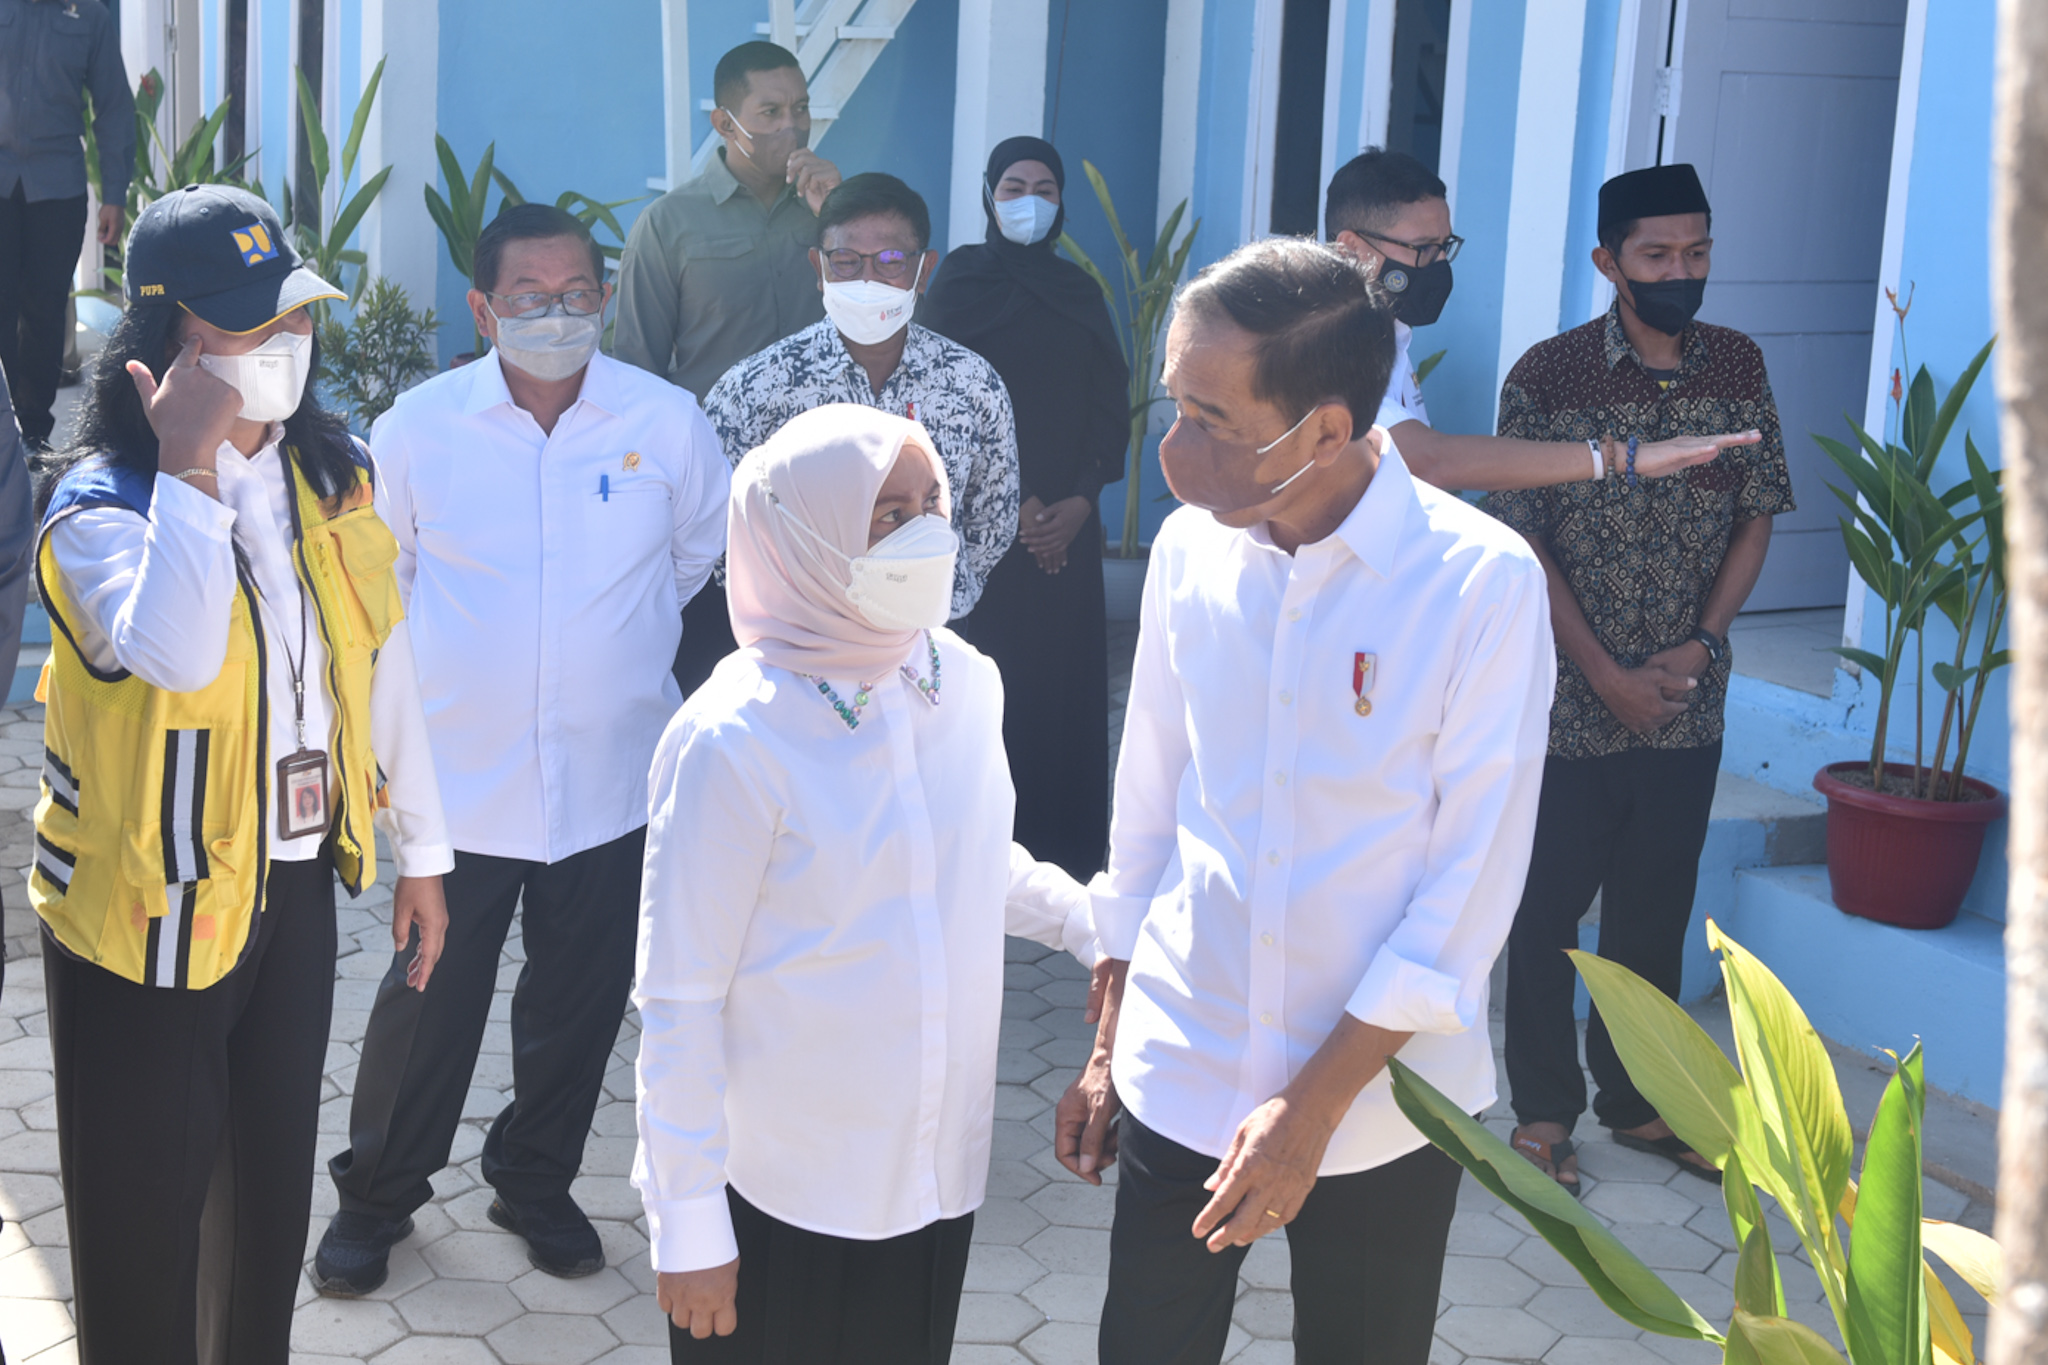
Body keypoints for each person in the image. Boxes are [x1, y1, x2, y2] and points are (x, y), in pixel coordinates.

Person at [1055, 239, 1555, 1365]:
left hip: (1383, 1101)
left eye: (1212, 421)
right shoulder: (1192, 554)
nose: (1173, 455)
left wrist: (1314, 1107)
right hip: (1184, 1058)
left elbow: (1468, 888)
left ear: (1325, 431)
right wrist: (1107, 1044)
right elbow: (1146, 805)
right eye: (1172, 407)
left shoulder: (1476, 585)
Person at [31, 184, 450, 1365]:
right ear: (169, 343)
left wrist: (425, 853)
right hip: (144, 910)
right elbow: (165, 649)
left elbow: (385, 667)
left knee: (264, 1207)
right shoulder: (98, 508)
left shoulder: (335, 472)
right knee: (141, 1225)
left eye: (296, 321)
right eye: (252, 329)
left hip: (292, 881)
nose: (287, 349)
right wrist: (188, 464)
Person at [315, 203, 732, 1293]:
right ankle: (378, 1197)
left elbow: (693, 559)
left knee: (579, 1005)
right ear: (483, 308)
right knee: (425, 1002)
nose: (559, 315)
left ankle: (533, 1178)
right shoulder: (416, 429)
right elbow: (384, 589)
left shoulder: (667, 422)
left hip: (612, 782)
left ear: (604, 294)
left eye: (579, 293)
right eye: (531, 298)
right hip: (459, 787)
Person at [634, 404, 1095, 1364]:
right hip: (781, 1185)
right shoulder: (736, 736)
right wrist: (686, 1221)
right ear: (805, 534)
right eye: (888, 515)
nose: (926, 529)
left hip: (931, 1168)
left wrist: (1091, 923)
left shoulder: (961, 681)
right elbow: (678, 996)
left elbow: (959, 856)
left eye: (933, 501)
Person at [1485, 163, 1794, 1195]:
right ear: (1606, 261)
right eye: (1657, 255)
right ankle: (1541, 1111)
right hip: (1572, 697)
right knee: (1544, 912)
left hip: (1685, 694)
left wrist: (1703, 644)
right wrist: (1602, 672)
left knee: (1651, 911)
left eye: (1695, 252)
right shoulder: (1549, 377)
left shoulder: (1737, 363)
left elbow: (1755, 511)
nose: (1680, 272)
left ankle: (1636, 1102)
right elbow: (1522, 541)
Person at [922, 136, 1127, 879]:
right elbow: (943, 404)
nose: (1028, 201)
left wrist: (1080, 497)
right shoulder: (958, 286)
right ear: (987, 195)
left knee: (1062, 687)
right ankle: (977, 849)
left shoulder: (1080, 292)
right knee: (986, 681)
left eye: (1044, 186)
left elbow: (1109, 406)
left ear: (1062, 200)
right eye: (1013, 186)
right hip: (980, 526)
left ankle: (1063, 850)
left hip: (1066, 528)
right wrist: (1012, 502)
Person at [1323, 148, 1760, 491]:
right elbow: (1433, 461)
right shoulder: (1330, 347)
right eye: (1422, 249)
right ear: (1350, 248)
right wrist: (1621, 457)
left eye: (1445, 245)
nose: (1438, 263)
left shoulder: (1388, 336)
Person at [613, 40, 842, 697]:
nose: (791, 128)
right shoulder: (670, 226)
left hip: (822, 490)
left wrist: (839, 215)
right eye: (768, 111)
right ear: (724, 123)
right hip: (713, 496)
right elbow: (638, 372)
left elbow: (887, 316)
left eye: (800, 109)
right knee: (713, 674)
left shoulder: (839, 215)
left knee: (819, 679)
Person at [704, 173, 1019, 623]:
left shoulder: (972, 384)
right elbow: (720, 532)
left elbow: (992, 523)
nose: (868, 278)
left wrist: (931, 593)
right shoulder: (755, 389)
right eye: (847, 261)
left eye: (890, 259)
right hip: (802, 643)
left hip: (927, 637)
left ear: (924, 270)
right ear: (819, 269)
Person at [0, 0, 134, 450]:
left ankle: (33, 432)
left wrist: (114, 194)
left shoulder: (89, 17)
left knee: (43, 310)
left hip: (57, 186)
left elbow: (113, 105)